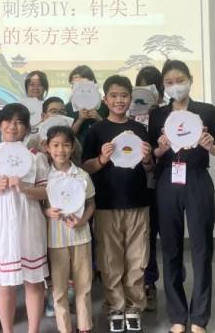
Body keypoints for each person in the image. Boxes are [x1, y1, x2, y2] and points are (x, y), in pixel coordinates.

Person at [148, 60, 215, 333]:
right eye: (169, 82)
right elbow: (153, 155)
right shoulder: (157, 115)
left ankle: (200, 318)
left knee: (202, 248)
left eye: (180, 80)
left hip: (197, 179)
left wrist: (210, 145)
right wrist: (160, 148)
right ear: (163, 86)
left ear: (190, 79)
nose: (175, 86)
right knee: (170, 248)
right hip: (168, 179)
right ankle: (178, 316)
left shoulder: (206, 110)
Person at [82, 75, 153, 333]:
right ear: (105, 99)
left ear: (130, 99)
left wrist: (147, 159)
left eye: (124, 95)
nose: (119, 100)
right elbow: (85, 166)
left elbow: (150, 168)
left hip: (138, 202)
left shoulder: (140, 129)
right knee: (110, 259)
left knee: (137, 258)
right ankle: (115, 307)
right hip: (106, 204)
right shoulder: (96, 130)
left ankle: (134, 307)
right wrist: (102, 159)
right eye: (113, 95)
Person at [0, 104, 49, 333]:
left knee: (33, 281)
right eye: (8, 120)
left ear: (27, 127)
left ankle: (33, 331)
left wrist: (24, 187)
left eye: (19, 122)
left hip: (29, 220)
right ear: (0, 124)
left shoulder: (36, 157)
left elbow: (45, 192)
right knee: (5, 284)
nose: (12, 126)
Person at [44, 126, 95, 333]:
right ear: (47, 147)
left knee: (84, 285)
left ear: (73, 147)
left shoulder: (81, 175)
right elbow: (40, 205)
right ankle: (64, 328)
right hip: (56, 240)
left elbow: (91, 203)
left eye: (65, 145)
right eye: (55, 145)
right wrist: (47, 211)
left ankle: (84, 326)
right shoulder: (45, 176)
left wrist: (83, 221)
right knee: (59, 288)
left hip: (81, 237)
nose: (61, 150)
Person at [133, 65, 164, 311]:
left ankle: (150, 281)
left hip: (158, 183)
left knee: (152, 234)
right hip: (132, 182)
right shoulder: (129, 114)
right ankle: (137, 283)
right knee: (138, 237)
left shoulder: (165, 114)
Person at [65, 65, 108, 146]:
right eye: (74, 84)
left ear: (93, 82)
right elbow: (66, 136)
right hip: (77, 150)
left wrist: (98, 118)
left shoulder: (105, 105)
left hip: (100, 149)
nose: (79, 88)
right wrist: (80, 120)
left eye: (82, 83)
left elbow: (110, 130)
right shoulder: (67, 108)